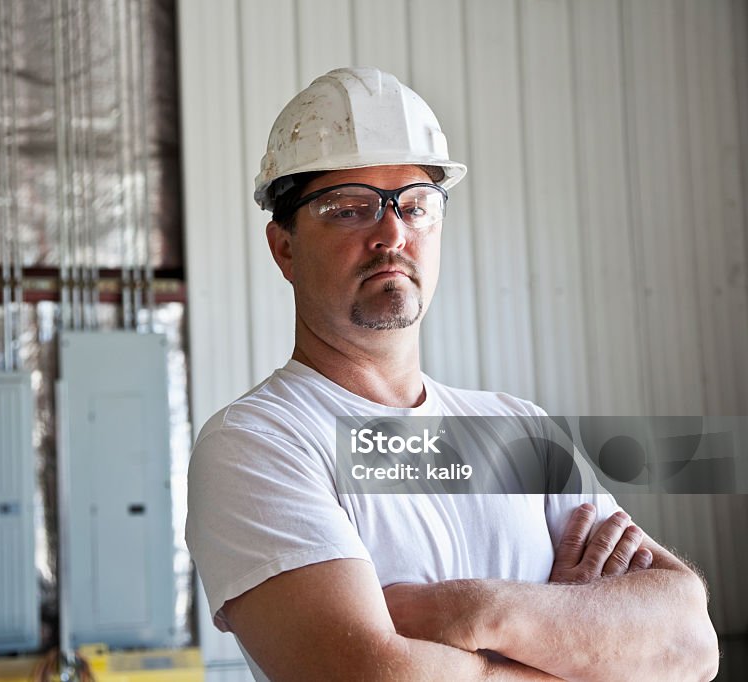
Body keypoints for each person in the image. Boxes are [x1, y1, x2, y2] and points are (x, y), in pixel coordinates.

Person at [185, 67, 718, 681]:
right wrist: (575, 638)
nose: (392, 233)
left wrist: (472, 611)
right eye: (349, 209)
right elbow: (372, 674)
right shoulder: (259, 444)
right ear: (284, 247)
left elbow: (689, 645)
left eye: (416, 205)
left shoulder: (517, 430)